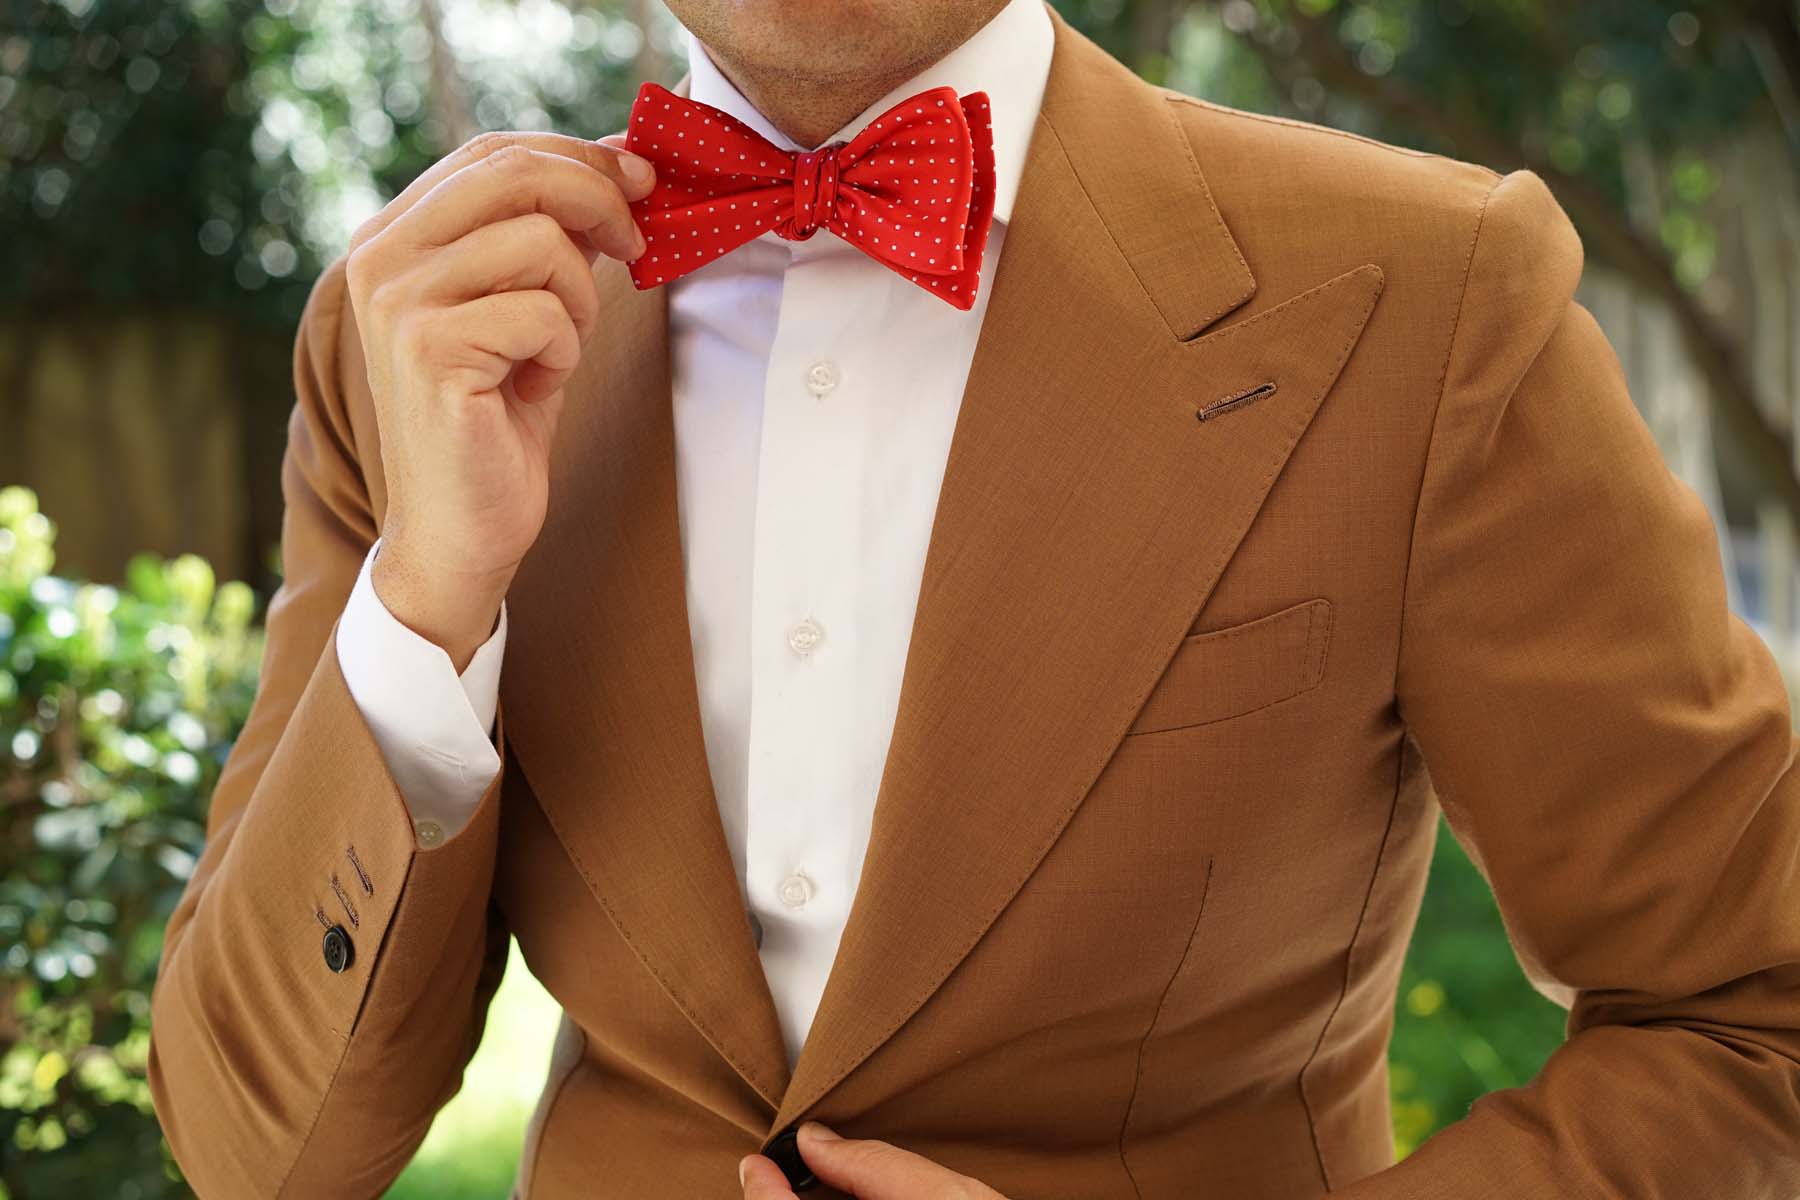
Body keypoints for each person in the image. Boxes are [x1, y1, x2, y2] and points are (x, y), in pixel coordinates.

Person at [146, 0, 1800, 1196]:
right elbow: (257, 1155)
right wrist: (432, 602)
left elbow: (1755, 1027)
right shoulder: (417, 334)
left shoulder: (1429, 299)